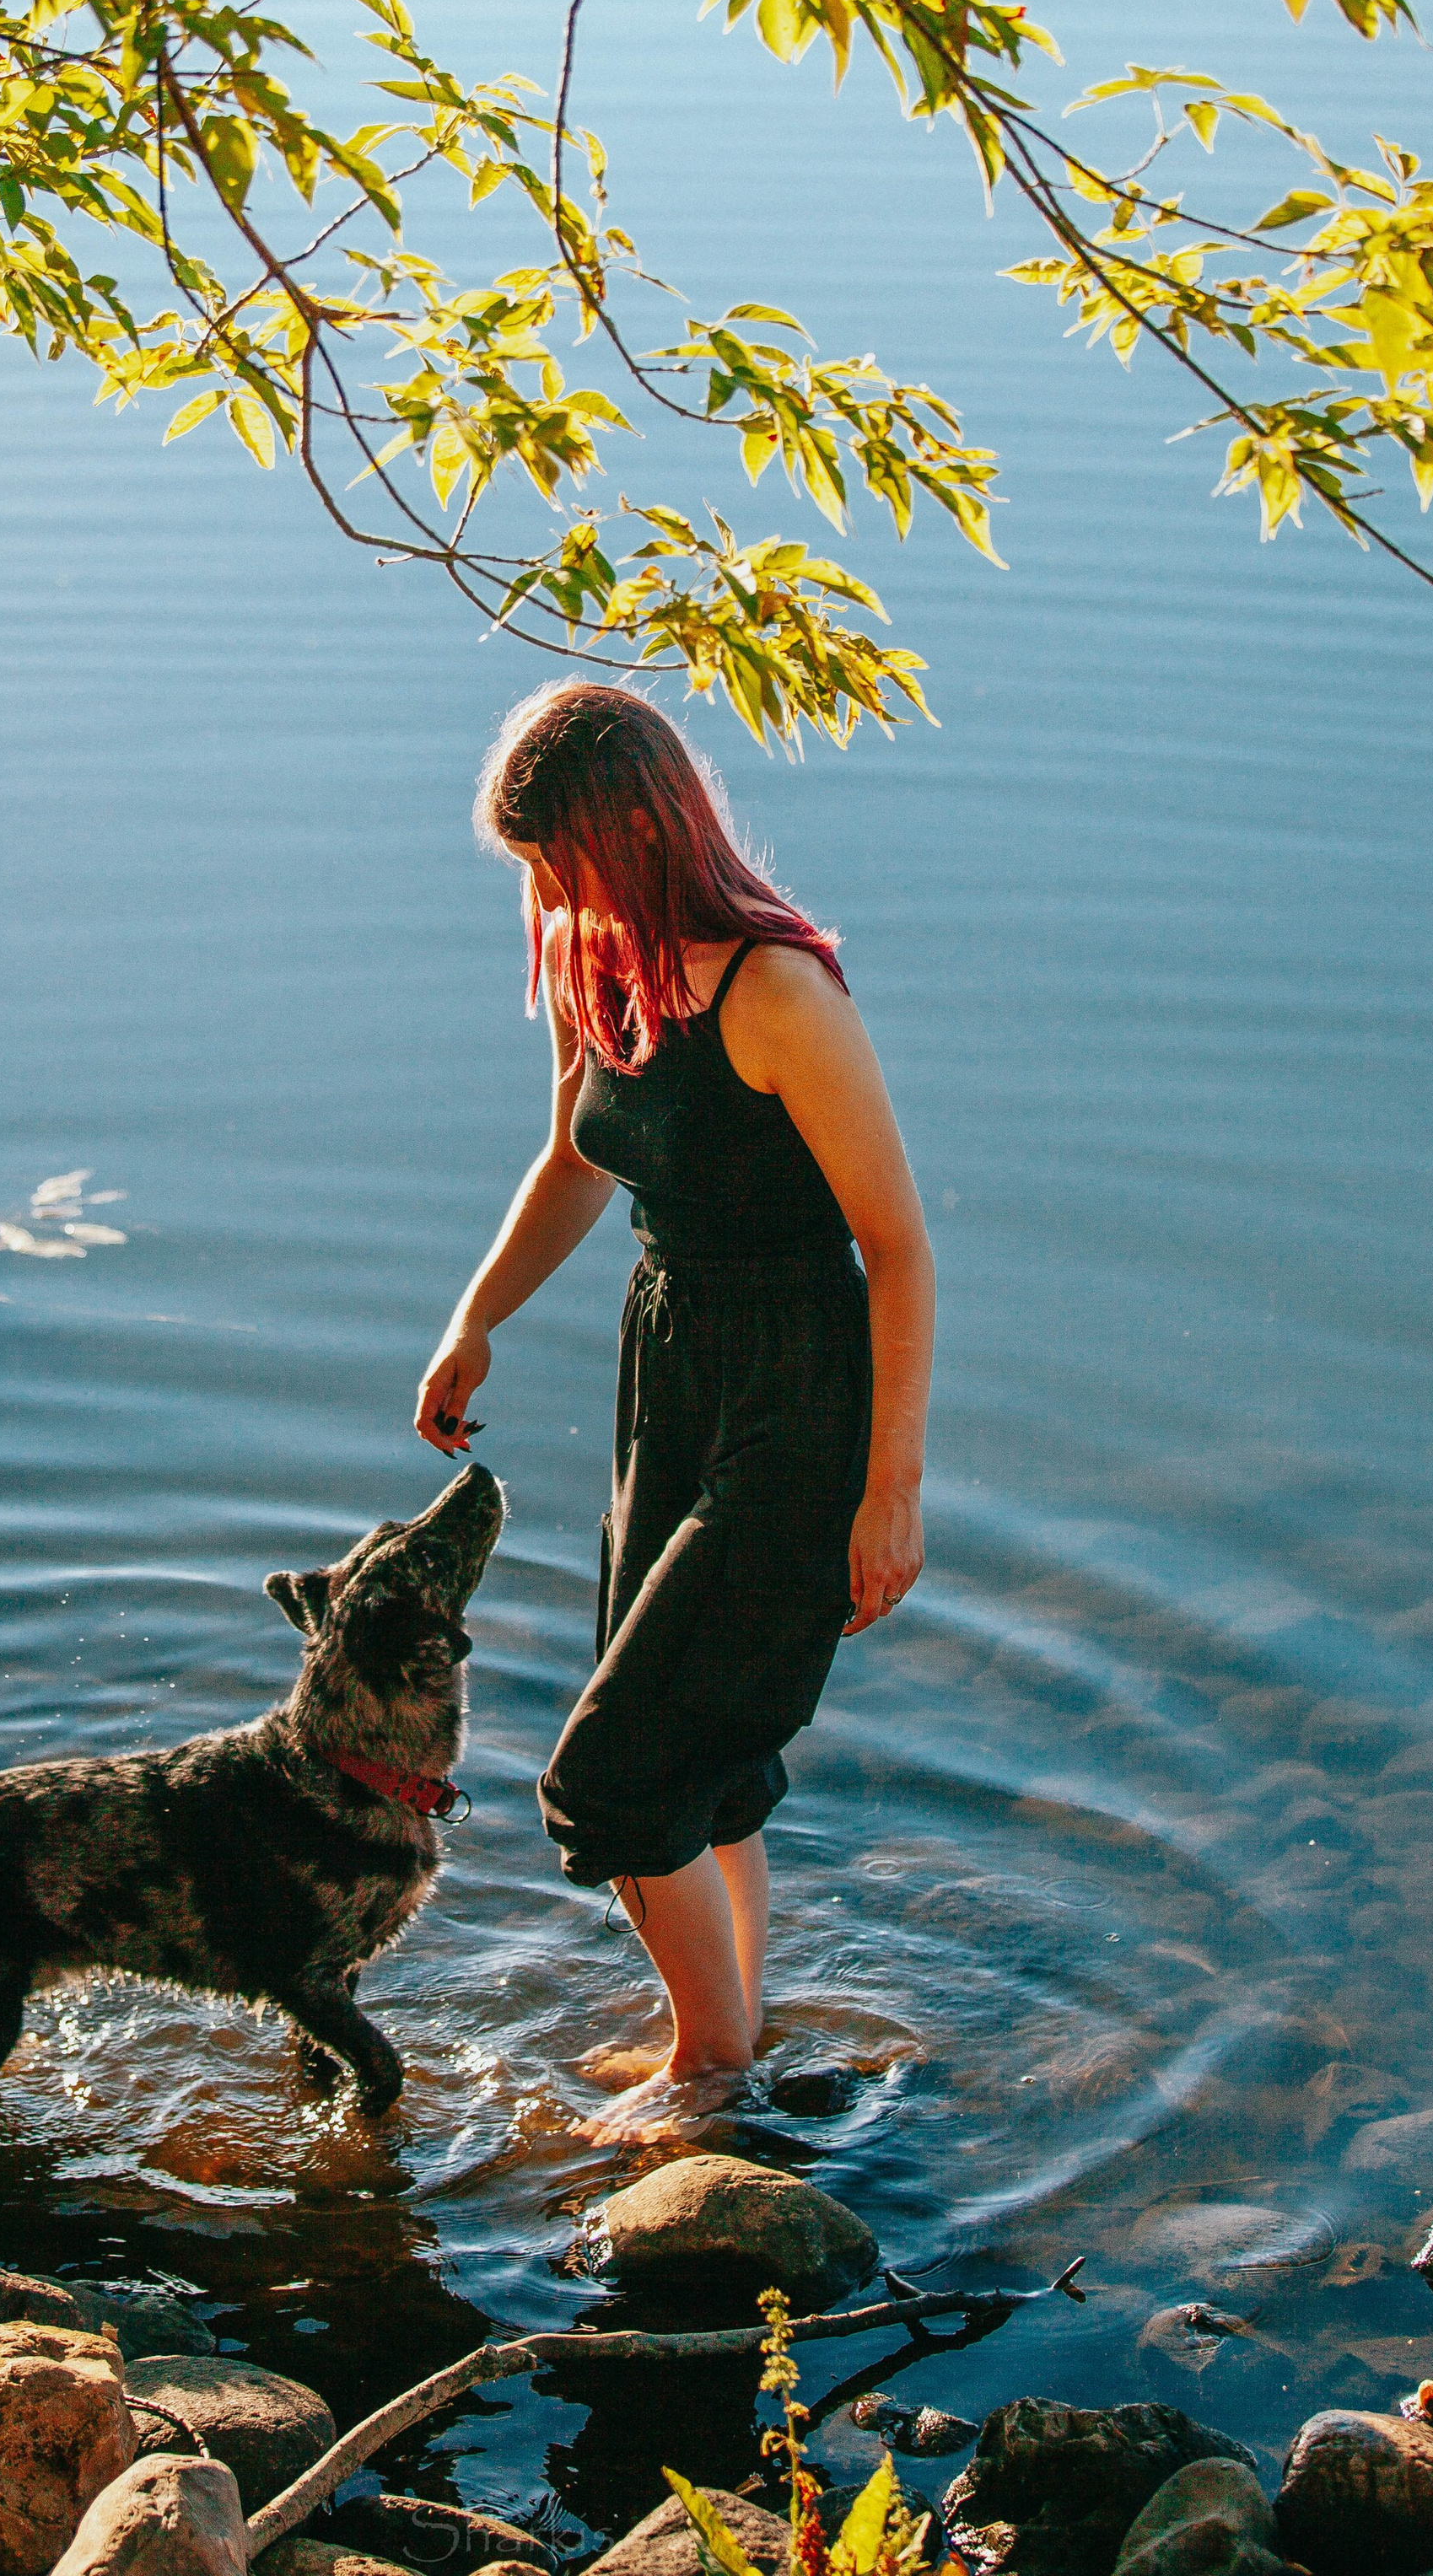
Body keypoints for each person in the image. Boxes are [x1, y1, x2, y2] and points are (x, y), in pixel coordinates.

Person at [415, 679, 935, 2132]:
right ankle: (734, 2033)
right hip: (674, 1365)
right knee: (699, 1748)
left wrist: (890, 1488)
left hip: (796, 1388)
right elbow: (579, 1159)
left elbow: (895, 1246)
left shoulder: (777, 994)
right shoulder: (598, 962)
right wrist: (477, 1320)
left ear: (635, 833)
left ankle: (707, 2072)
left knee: (609, 1773)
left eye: (558, 861)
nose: (546, 894)